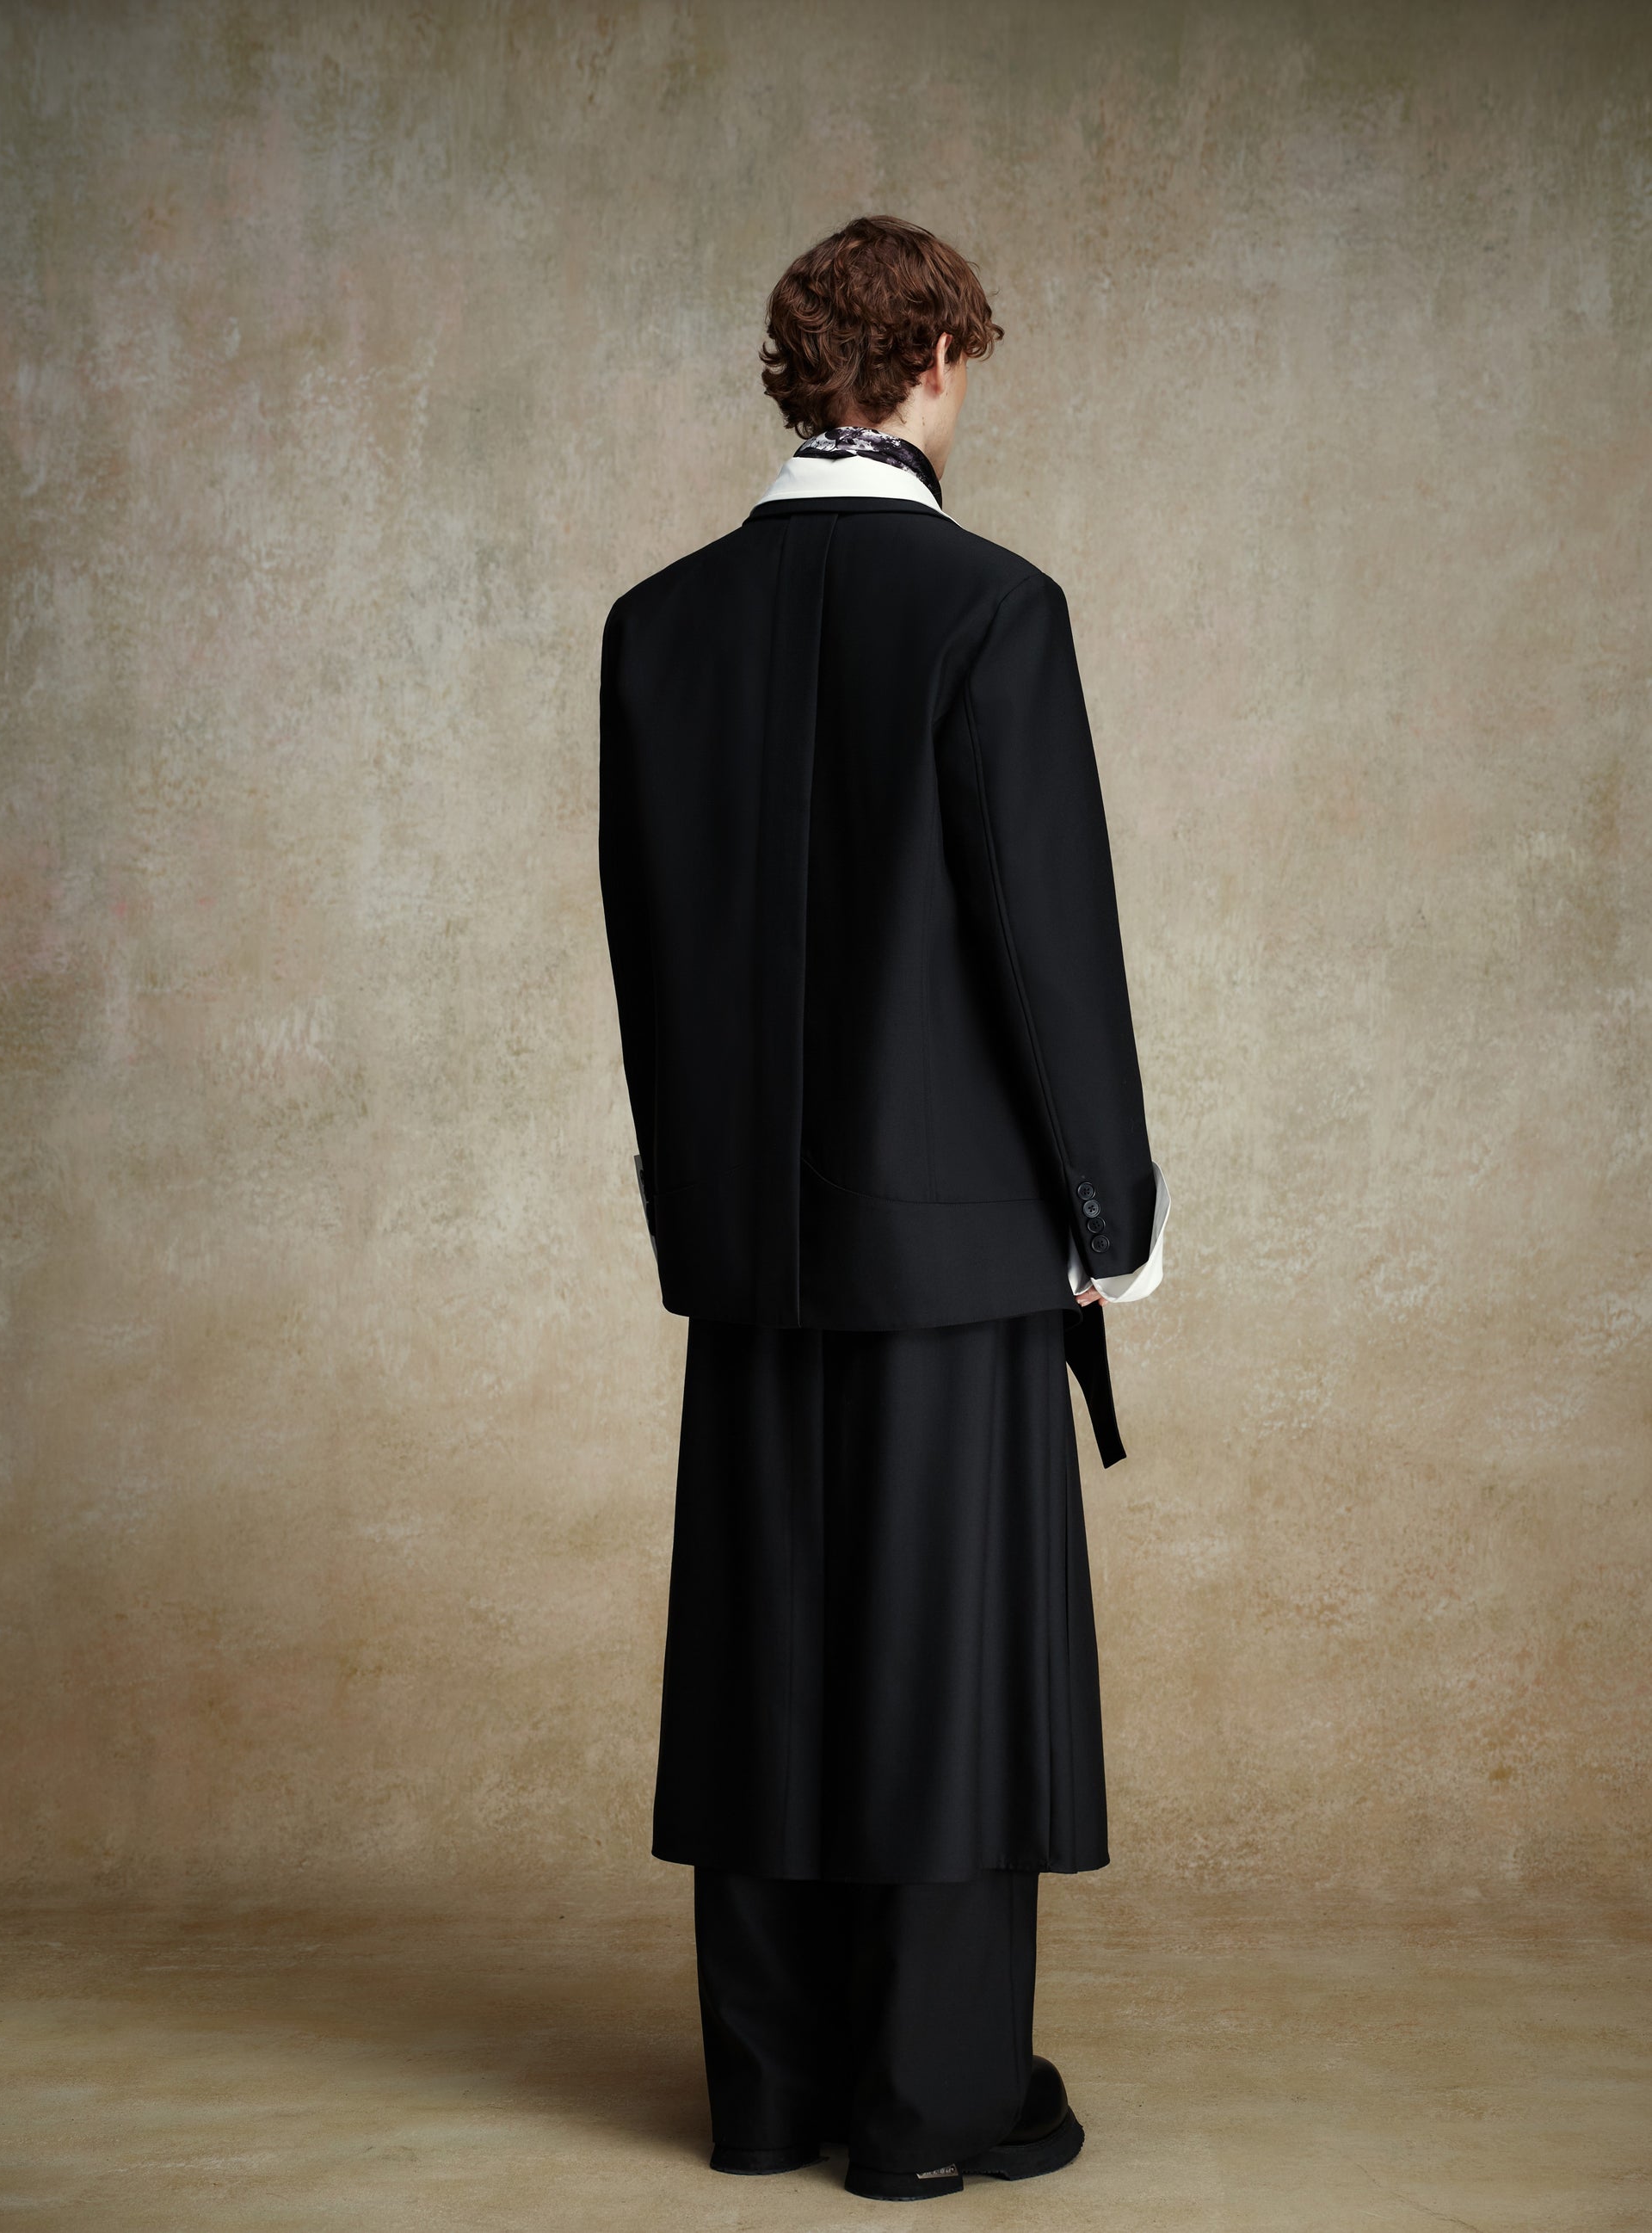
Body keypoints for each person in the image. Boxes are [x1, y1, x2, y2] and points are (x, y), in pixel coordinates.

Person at [597, 214, 1168, 2204]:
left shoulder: (657, 625)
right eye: (962, 362)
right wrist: (1111, 1210)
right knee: (946, 1670)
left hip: (743, 1249)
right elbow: (1047, 943)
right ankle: (930, 2102)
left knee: (768, 1658)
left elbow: (651, 955)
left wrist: (698, 1208)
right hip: (956, 1245)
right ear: (931, 361)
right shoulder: (991, 609)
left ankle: (768, 2093)